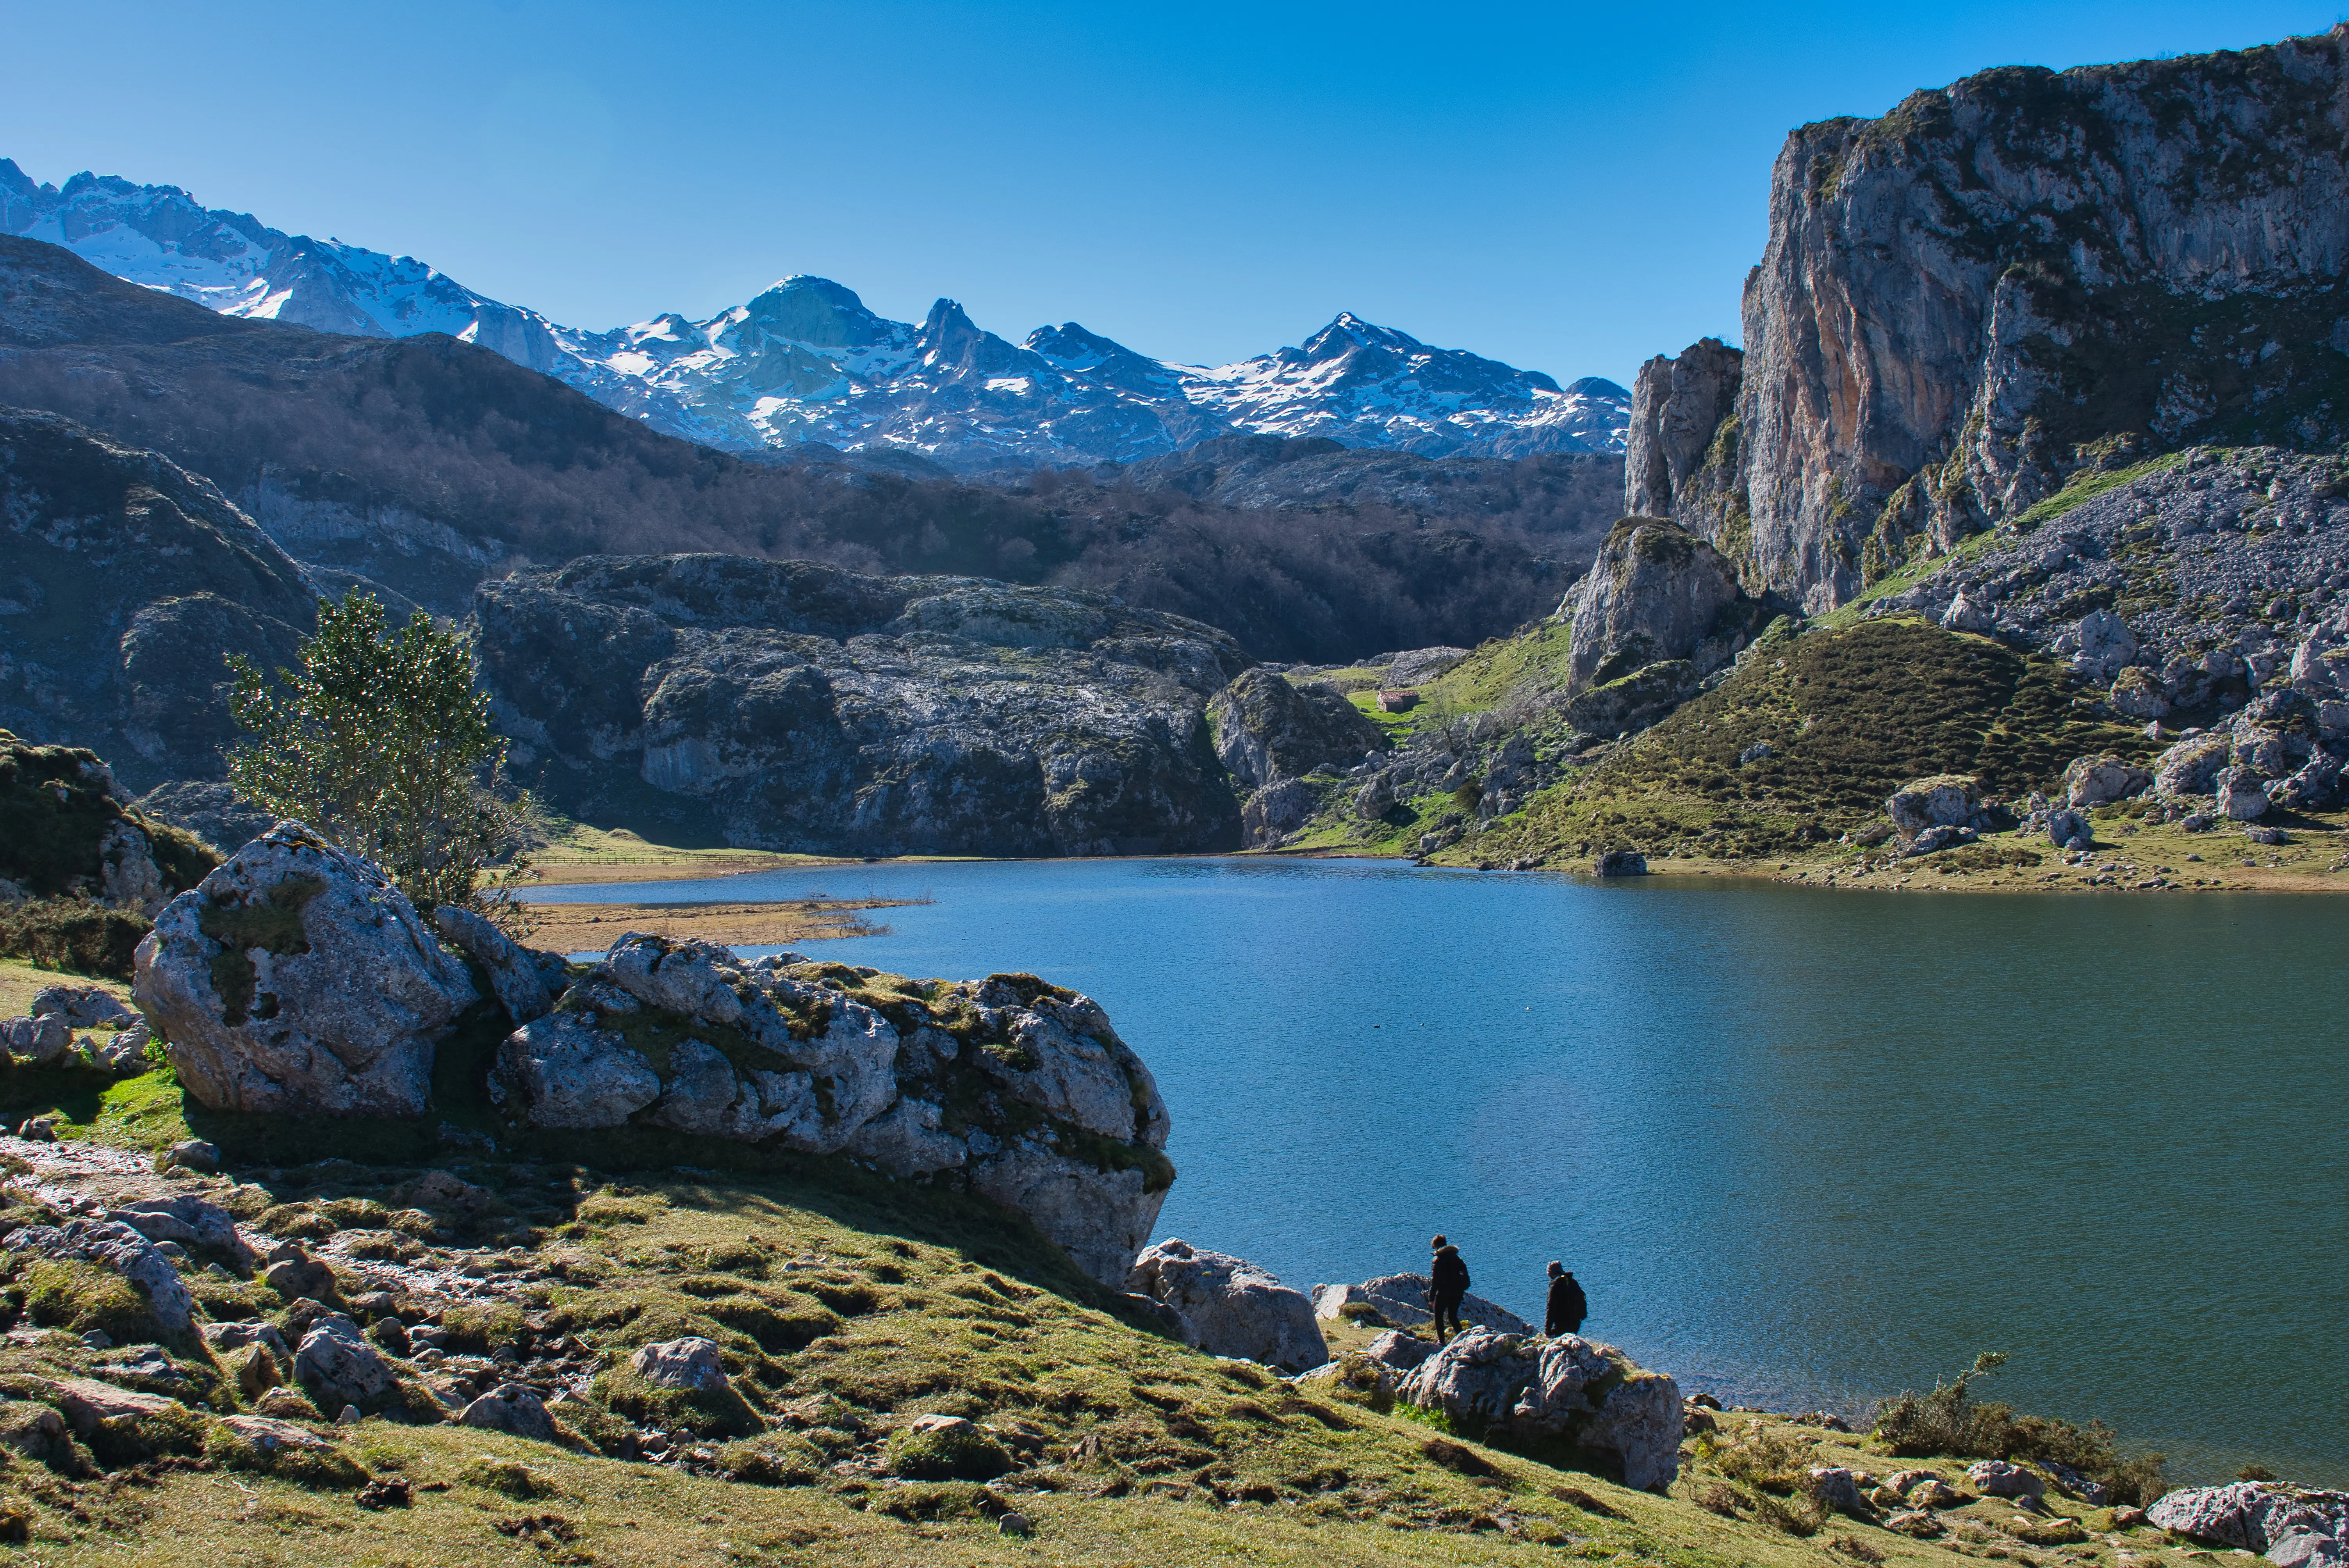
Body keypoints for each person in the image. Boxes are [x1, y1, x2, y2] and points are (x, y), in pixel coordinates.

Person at [1428, 1235, 1470, 1343]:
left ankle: (1442, 1342)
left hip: (1443, 1293)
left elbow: (1435, 1281)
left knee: (1439, 1316)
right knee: (1453, 1317)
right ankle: (1464, 1340)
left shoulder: (1438, 1260)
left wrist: (1431, 1298)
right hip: (1458, 1292)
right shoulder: (1457, 1258)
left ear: (1436, 1246)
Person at [1544, 1261, 1588, 1336]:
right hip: (1576, 1324)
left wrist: (1547, 1331)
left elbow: (1551, 1308)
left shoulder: (1555, 1285)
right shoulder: (1572, 1282)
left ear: (1550, 1273)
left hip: (1561, 1325)